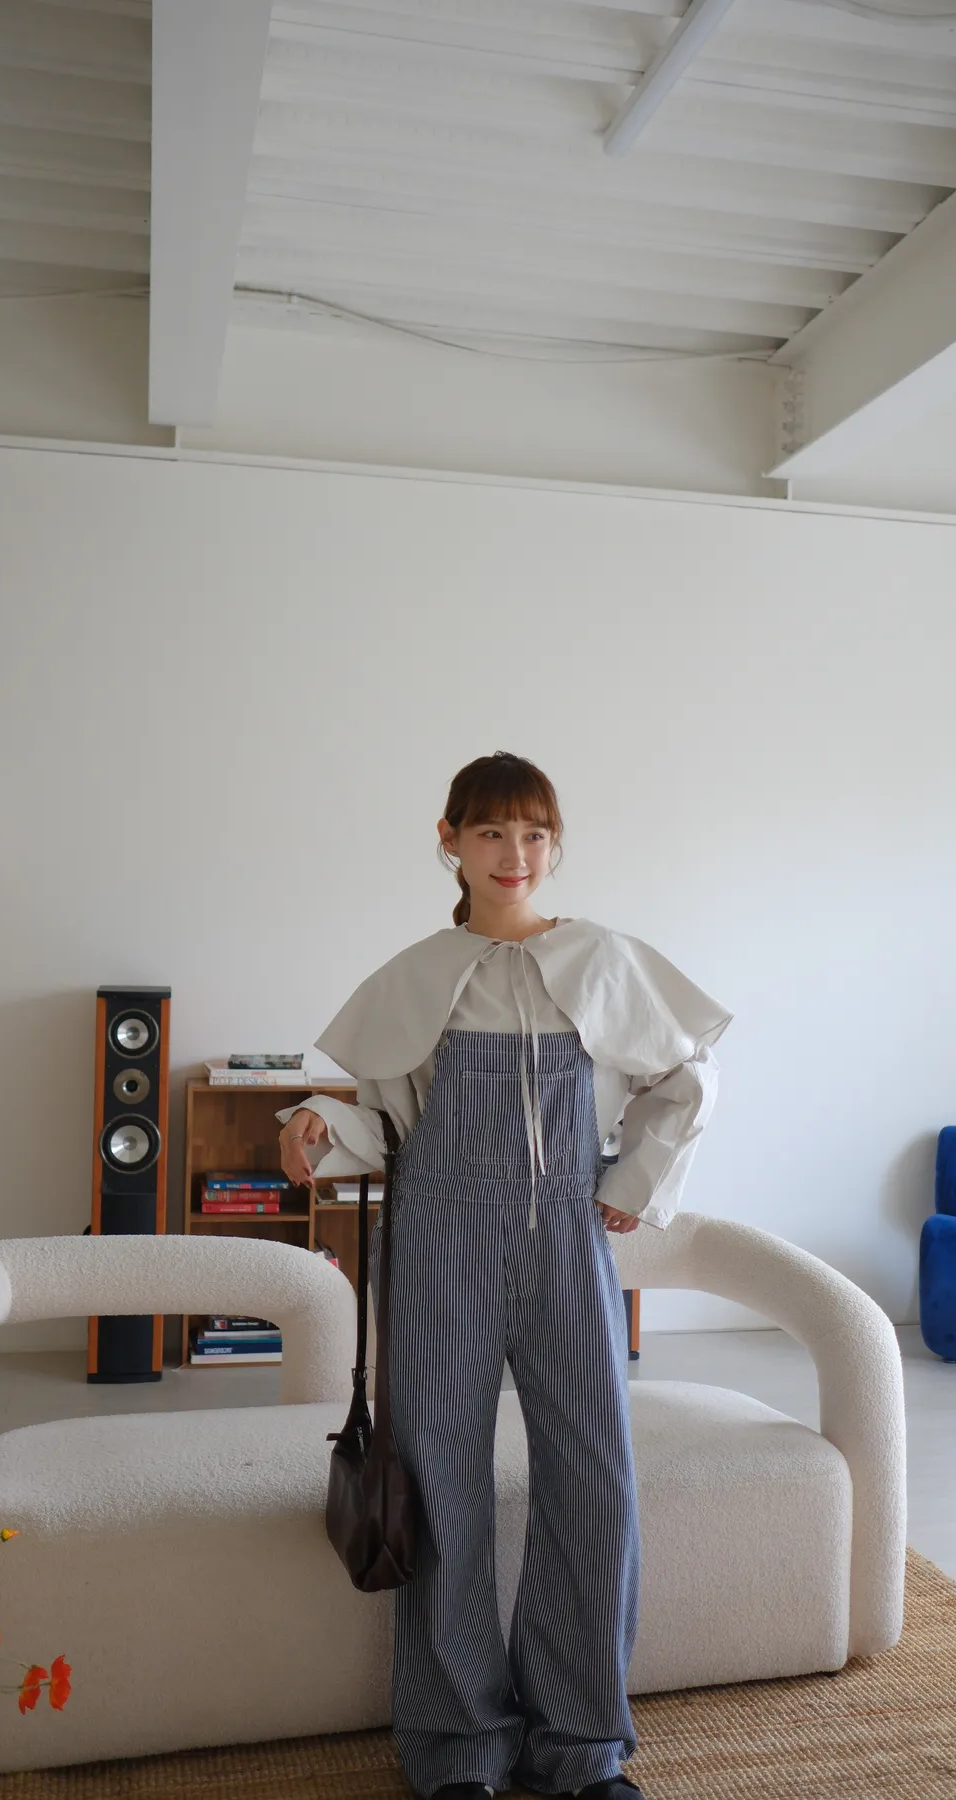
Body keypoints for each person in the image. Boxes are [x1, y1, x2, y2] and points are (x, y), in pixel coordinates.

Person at [278, 752, 732, 1800]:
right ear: (450, 841)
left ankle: (581, 1747)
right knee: (441, 1475)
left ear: (554, 845)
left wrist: (636, 1177)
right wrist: (317, 1125)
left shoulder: (604, 960)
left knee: (596, 1476)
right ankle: (459, 1747)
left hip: (566, 1237)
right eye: (490, 833)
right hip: (439, 1238)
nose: (513, 854)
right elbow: (386, 1126)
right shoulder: (415, 976)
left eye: (533, 834)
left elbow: (687, 1079)